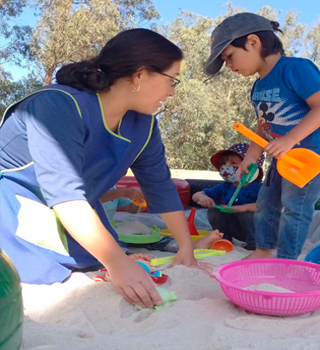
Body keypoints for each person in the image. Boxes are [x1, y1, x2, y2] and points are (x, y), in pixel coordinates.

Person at [0, 29, 214, 308]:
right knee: (33, 270)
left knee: (97, 260)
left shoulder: (144, 125)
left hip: (77, 211)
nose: (173, 92)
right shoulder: (57, 104)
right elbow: (65, 194)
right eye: (172, 80)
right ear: (139, 75)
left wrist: (186, 248)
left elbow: (160, 186)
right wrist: (118, 263)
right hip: (16, 205)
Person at [204, 13, 320, 260]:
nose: (229, 66)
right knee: (267, 202)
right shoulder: (258, 87)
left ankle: (287, 259)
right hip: (284, 155)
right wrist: (251, 160)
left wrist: (289, 139)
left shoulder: (295, 68)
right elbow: (262, 129)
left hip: (312, 154)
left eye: (230, 56)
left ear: (253, 42)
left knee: (295, 206)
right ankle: (264, 250)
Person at [192, 143, 265, 250]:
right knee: (214, 212)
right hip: (238, 230)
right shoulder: (225, 187)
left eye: (233, 163)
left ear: (252, 168)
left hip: (261, 231)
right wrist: (203, 198)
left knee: (248, 214)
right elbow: (196, 195)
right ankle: (223, 238)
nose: (225, 166)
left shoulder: (261, 188)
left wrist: (245, 208)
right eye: (223, 163)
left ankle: (255, 243)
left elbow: (273, 206)